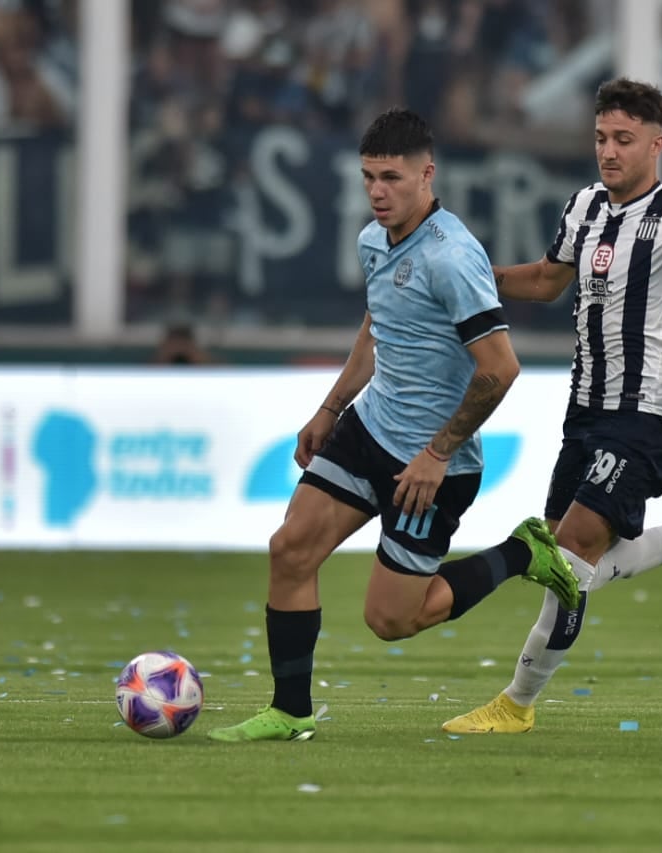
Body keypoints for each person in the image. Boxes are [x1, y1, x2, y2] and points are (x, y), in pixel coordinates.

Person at [208, 107, 579, 743]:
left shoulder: (454, 258)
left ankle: (525, 552)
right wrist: (329, 410)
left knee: (392, 621)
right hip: (369, 429)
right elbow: (378, 329)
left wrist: (437, 454)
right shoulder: (373, 241)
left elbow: (500, 368)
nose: (378, 192)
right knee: (289, 549)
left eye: (391, 178)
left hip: (434, 466)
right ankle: (291, 710)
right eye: (368, 178)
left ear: (426, 175)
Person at [440, 79, 662, 735]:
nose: (608, 152)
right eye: (600, 138)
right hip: (584, 411)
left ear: (655, 143)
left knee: (568, 556)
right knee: (566, 562)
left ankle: (517, 703)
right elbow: (547, 277)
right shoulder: (585, 206)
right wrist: (472, 276)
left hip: (646, 413)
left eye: (622, 140)